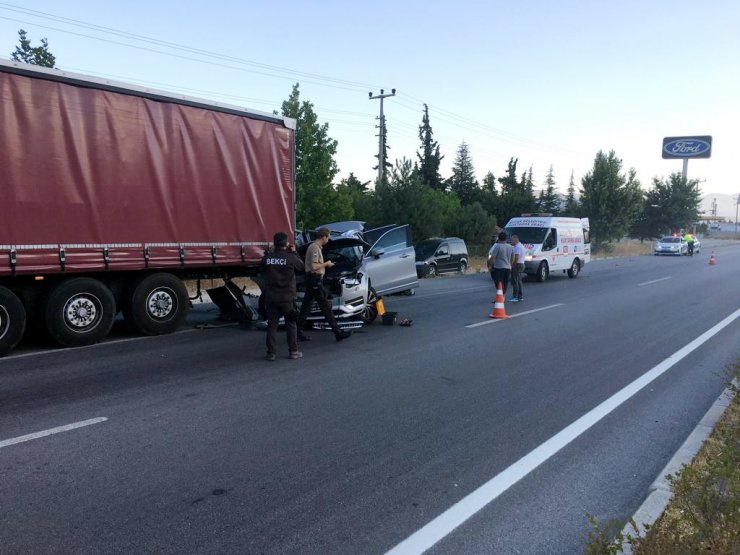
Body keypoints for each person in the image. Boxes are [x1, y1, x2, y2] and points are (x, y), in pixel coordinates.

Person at [297, 228, 352, 342]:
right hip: (314, 281)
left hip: (313, 281)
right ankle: (338, 332)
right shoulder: (314, 248)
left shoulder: (315, 247)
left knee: (306, 308)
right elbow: (314, 266)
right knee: (326, 307)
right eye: (328, 237)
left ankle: (297, 332)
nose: (328, 239)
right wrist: (327, 264)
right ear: (324, 237)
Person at [259, 232, 305, 361]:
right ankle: (293, 351)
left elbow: (261, 270)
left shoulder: (267, 258)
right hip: (287, 298)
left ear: (274, 243)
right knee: (291, 323)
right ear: (286, 244)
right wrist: (294, 252)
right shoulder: (290, 258)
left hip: (271, 297)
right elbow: (301, 267)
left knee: (272, 325)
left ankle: (271, 353)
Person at [487, 231, 514, 296]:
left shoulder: (497, 246)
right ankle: (503, 296)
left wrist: (490, 266)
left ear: (498, 238)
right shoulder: (510, 247)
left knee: (498, 283)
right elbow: (513, 256)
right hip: (507, 267)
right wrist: (511, 265)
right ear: (506, 239)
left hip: (499, 267)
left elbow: (492, 257)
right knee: (505, 282)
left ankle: (500, 296)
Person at [509, 234, 526, 302]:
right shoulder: (521, 246)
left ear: (516, 239)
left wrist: (512, 265)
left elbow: (516, 257)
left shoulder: (517, 247)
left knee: (515, 281)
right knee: (518, 281)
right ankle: (520, 296)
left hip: (517, 265)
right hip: (521, 264)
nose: (511, 241)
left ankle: (515, 296)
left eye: (512, 240)